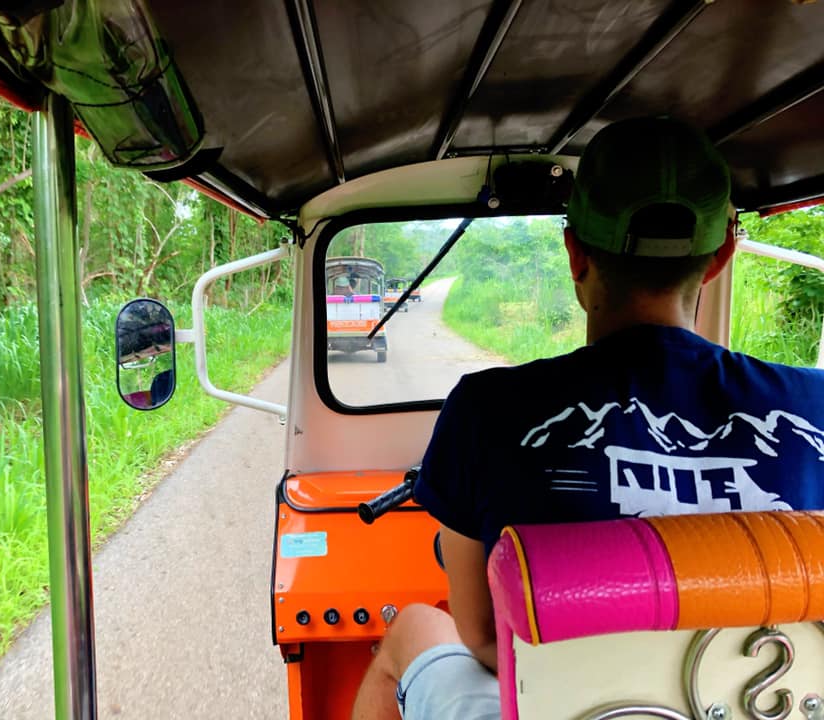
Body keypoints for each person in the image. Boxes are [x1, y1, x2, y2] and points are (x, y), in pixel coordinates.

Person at [351, 116, 824, 720]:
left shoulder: (484, 409)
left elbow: (485, 636)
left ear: (576, 254)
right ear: (721, 255)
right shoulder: (815, 404)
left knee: (415, 625)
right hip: (774, 702)